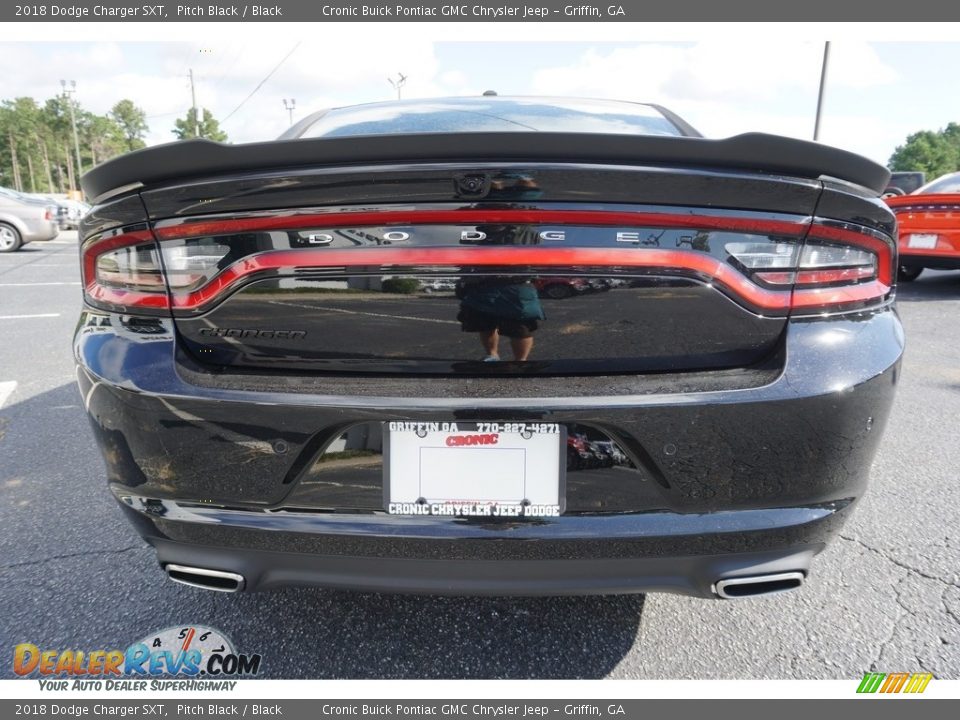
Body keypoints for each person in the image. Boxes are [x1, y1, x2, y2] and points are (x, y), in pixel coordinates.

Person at [456, 278, 545, 361]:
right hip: (482, 284)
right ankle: (492, 356)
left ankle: (521, 361)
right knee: (485, 323)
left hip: (517, 284)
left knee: (520, 326)